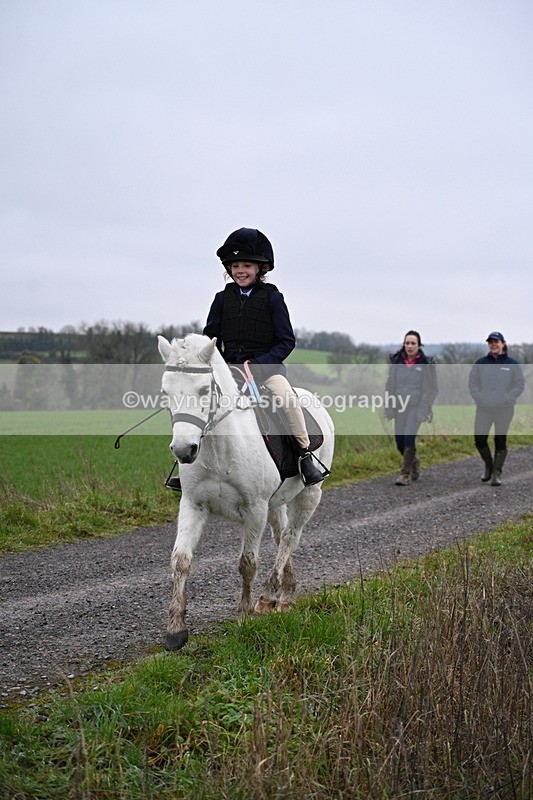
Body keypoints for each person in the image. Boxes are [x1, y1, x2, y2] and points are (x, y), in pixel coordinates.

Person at [166, 227, 325, 491]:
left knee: (287, 399)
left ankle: (304, 455)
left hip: (266, 370)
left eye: (247, 265)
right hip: (227, 371)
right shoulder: (221, 300)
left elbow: (287, 341)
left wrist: (260, 366)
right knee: (194, 405)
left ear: (261, 268)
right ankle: (187, 471)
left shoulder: (273, 298)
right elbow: (210, 340)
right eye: (235, 265)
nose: (240, 270)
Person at [468, 331, 524, 486]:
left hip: (504, 409)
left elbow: (519, 384)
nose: (493, 344)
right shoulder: (480, 363)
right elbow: (472, 383)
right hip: (484, 408)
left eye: (496, 341)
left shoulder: (512, 364)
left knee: (500, 439)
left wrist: (508, 398)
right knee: (479, 439)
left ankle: (497, 473)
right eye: (490, 342)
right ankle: (488, 464)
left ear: (503, 344)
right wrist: (479, 397)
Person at [384, 330, 438, 486]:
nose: (410, 346)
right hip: (399, 406)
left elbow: (432, 388)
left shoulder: (426, 364)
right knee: (399, 442)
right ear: (404, 344)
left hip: (416, 407)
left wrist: (425, 407)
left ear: (419, 345)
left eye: (413, 343)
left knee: (409, 437)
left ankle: (405, 474)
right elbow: (390, 385)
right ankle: (413, 462)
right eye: (407, 343)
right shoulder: (396, 362)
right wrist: (389, 404)